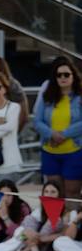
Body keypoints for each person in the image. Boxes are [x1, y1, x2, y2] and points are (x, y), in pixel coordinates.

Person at [33, 57, 82, 204]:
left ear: (73, 76)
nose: (62, 78)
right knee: (54, 193)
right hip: (50, 151)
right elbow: (37, 121)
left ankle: (72, 224)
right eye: (59, 75)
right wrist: (51, 134)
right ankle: (53, 225)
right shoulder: (47, 96)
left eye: (66, 74)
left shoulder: (80, 97)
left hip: (74, 151)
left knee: (72, 193)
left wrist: (64, 134)